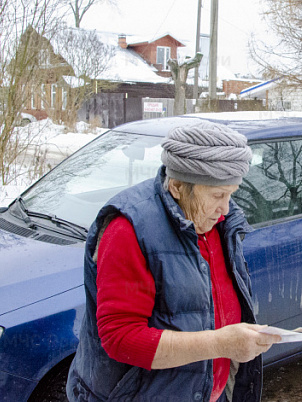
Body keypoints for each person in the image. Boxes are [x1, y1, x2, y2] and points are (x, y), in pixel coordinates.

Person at [67, 121, 281, 402]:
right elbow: (120, 338)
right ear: (178, 186)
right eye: (218, 195)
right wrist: (219, 344)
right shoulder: (128, 229)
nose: (226, 208)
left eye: (232, 193)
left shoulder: (216, 220)